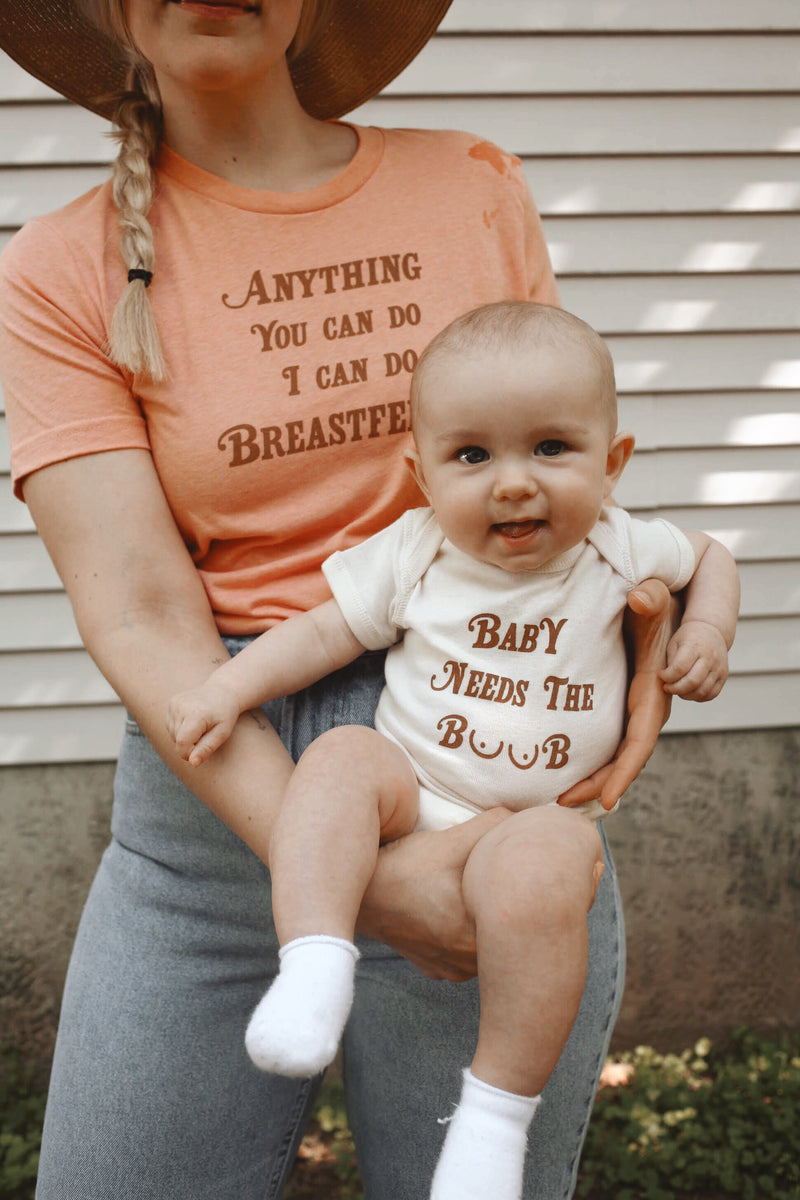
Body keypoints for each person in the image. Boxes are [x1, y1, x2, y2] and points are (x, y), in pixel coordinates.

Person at [0, 3, 695, 1197]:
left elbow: (557, 468)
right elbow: (138, 614)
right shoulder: (54, 269)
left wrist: (647, 672)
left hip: (488, 766)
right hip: (221, 787)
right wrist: (359, 883)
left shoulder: (470, 184)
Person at [167, 301, 739, 1200]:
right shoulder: (418, 549)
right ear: (423, 477)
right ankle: (315, 962)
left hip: (528, 819)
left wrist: (704, 631)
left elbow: (711, 558)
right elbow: (320, 634)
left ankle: (492, 1122)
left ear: (613, 463)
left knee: (560, 860)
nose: (513, 483)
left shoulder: (617, 544)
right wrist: (228, 689)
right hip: (415, 780)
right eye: (472, 456)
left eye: (551, 448)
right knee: (344, 757)